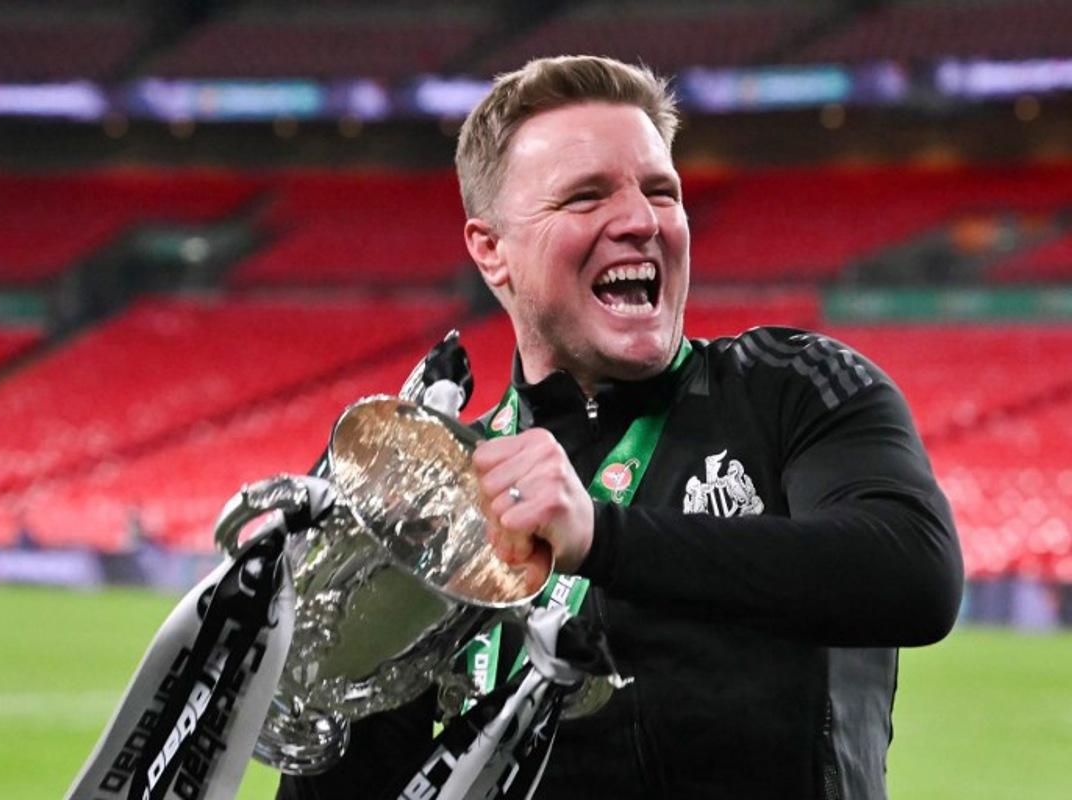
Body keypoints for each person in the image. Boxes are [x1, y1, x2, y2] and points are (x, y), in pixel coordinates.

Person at [279, 55, 962, 800]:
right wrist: (332, 644)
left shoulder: (789, 387)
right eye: (586, 197)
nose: (642, 221)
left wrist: (602, 539)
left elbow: (914, 574)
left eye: (662, 192)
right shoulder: (448, 507)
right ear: (492, 250)